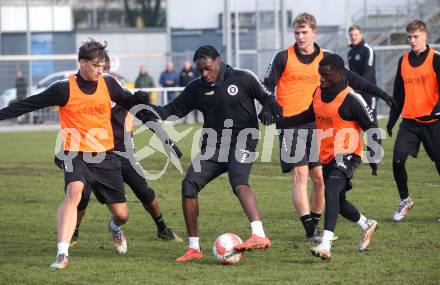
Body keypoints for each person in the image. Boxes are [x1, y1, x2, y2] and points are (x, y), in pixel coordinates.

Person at [0, 39, 157, 269]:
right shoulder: (64, 88)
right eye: (96, 66)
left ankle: (114, 228)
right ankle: (62, 254)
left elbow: (129, 102)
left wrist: (140, 102)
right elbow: (29, 104)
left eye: (103, 66)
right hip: (75, 153)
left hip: (105, 155)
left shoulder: (108, 84)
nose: (100, 70)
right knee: (74, 192)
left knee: (122, 215)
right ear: (82, 62)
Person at [138, 45, 282, 262]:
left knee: (239, 182)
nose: (204, 74)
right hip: (213, 147)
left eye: (207, 68)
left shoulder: (243, 78)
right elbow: (169, 112)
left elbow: (268, 97)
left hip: (243, 140)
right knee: (188, 187)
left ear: (218, 60)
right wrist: (145, 106)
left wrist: (270, 109)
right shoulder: (196, 87)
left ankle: (258, 235)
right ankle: (194, 248)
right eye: (200, 70)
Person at [262, 12, 393, 242]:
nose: (300, 37)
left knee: (320, 179)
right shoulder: (283, 57)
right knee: (300, 174)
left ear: (314, 32)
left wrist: (382, 94)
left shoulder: (327, 59)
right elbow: (267, 86)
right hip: (292, 124)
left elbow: (355, 80)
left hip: (320, 125)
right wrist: (267, 106)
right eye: (296, 33)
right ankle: (311, 231)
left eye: (304, 32)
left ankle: (316, 223)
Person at [54, 56, 182, 245]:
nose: (102, 73)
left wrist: (167, 142)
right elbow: (74, 126)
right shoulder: (90, 95)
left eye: (105, 69)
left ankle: (162, 228)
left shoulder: (123, 94)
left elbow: (147, 117)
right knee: (81, 195)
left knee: (144, 192)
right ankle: (74, 232)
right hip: (94, 154)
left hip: (123, 154)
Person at [307, 54, 379, 260]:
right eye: (319, 74)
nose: (321, 79)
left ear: (339, 75)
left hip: (348, 154)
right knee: (338, 200)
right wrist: (282, 119)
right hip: (327, 155)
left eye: (325, 75)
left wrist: (374, 158)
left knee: (330, 190)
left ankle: (325, 244)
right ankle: (367, 224)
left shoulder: (351, 98)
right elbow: (308, 115)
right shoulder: (318, 92)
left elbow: (372, 128)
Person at [386, 20, 440, 222]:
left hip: (433, 122)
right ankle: (405, 200)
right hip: (410, 121)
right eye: (409, 37)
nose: (412, 40)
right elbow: (398, 94)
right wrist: (392, 120)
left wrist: (438, 109)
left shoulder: (436, 59)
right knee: (397, 160)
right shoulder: (403, 60)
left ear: (425, 36)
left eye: (416, 36)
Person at [347, 24, 381, 176]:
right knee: (354, 124)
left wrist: (358, 88)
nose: (353, 37)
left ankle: (375, 155)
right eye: (351, 35)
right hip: (355, 94)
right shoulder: (350, 52)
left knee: (371, 123)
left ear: (360, 34)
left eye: (356, 34)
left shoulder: (368, 50)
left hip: (367, 94)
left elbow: (367, 74)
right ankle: (352, 153)